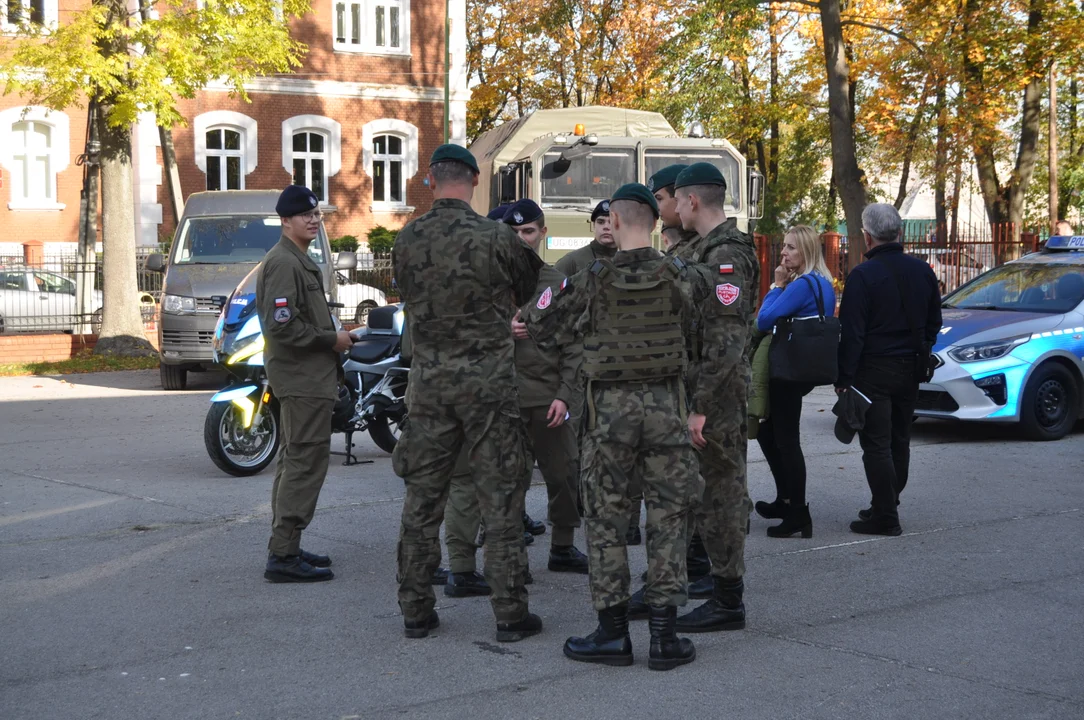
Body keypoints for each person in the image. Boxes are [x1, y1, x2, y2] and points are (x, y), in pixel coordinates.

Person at [524, 183, 700, 671]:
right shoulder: (685, 276)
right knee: (668, 517)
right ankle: (665, 637)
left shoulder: (586, 279)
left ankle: (612, 634)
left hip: (608, 415)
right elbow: (708, 340)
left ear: (616, 221)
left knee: (606, 520)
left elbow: (537, 324)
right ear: (655, 222)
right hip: (668, 408)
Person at [391, 144, 544, 642]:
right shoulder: (497, 237)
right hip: (488, 387)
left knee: (422, 499)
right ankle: (510, 613)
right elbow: (527, 288)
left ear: (431, 179)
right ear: (475, 180)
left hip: (430, 386)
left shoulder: (407, 239)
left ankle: (415, 610)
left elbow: (408, 296)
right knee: (499, 497)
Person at [670, 162, 759, 634]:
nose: (676, 208)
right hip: (705, 389)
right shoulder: (706, 249)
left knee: (721, 492)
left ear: (693, 201)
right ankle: (712, 583)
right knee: (706, 491)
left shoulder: (725, 255)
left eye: (678, 199)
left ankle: (729, 600)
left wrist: (700, 406)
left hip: (717, 395)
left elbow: (725, 341)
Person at [258, 185, 354, 583]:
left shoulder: (298, 259)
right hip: (302, 379)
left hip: (309, 377)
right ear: (285, 221)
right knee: (304, 463)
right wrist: (333, 340)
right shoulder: (284, 262)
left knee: (295, 459)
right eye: (304, 214)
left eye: (317, 214)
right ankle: (282, 555)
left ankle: (287, 545)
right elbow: (283, 328)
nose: (314, 219)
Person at [837, 203, 941, 536]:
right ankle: (887, 503)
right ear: (898, 232)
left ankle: (885, 515)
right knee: (900, 440)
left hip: (873, 371)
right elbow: (933, 323)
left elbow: (852, 334)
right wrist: (921, 349)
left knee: (876, 445)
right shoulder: (923, 271)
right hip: (911, 368)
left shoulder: (862, 275)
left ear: (867, 236)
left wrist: (844, 378)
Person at [503, 199, 589, 574]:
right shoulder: (490, 281)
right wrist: (502, 331)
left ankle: (563, 546)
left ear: (542, 233)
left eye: (528, 231)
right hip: (503, 396)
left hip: (547, 397)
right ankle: (508, 555)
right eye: (514, 232)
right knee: (507, 479)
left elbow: (575, 346)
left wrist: (564, 395)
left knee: (565, 474)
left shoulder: (558, 284)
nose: (522, 239)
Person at [752, 225, 836, 538]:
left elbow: (764, 319)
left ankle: (797, 511)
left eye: (790, 248)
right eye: (784, 246)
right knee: (768, 432)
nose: (783, 253)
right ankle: (785, 499)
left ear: (806, 252)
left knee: (786, 440)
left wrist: (776, 285)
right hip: (801, 368)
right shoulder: (823, 283)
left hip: (788, 370)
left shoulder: (801, 285)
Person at [648, 164, 697, 260]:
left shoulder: (706, 245)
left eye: (659, 199)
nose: (655, 207)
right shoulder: (687, 243)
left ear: (679, 197)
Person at [554, 200, 616, 276]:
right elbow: (551, 286)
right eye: (601, 222)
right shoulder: (572, 261)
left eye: (611, 222)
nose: (606, 227)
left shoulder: (629, 259)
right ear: (593, 226)